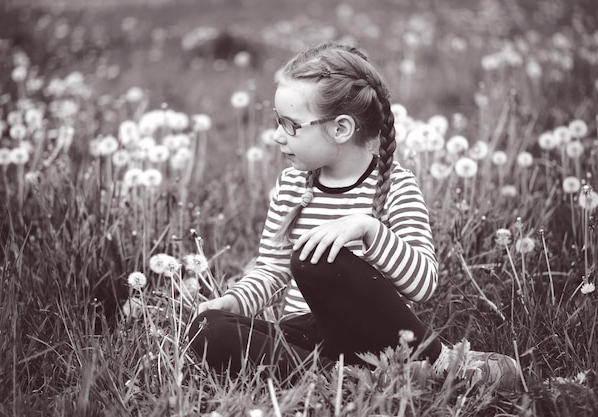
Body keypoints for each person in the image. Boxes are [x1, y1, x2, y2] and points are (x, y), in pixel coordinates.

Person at [188, 42, 521, 390]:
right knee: (209, 328)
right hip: (306, 336)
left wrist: (369, 230)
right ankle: (342, 381)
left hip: (376, 340)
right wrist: (234, 301)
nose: (275, 135)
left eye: (289, 125)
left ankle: (438, 362)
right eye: (277, 121)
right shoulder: (290, 185)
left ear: (341, 128)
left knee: (312, 259)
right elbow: (272, 270)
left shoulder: (396, 187)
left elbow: (423, 285)